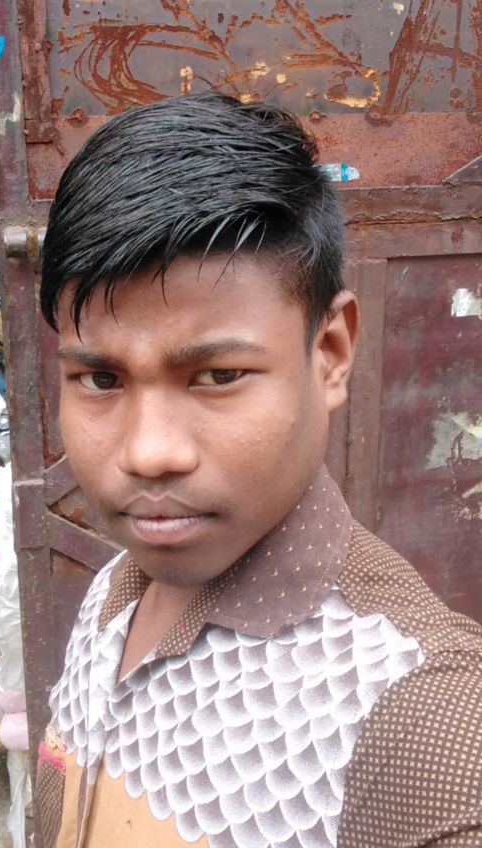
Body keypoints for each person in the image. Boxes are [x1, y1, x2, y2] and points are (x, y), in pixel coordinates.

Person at [36, 92, 482, 848]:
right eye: (101, 380)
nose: (148, 453)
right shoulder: (117, 587)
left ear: (330, 354)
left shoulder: (423, 726)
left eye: (218, 376)